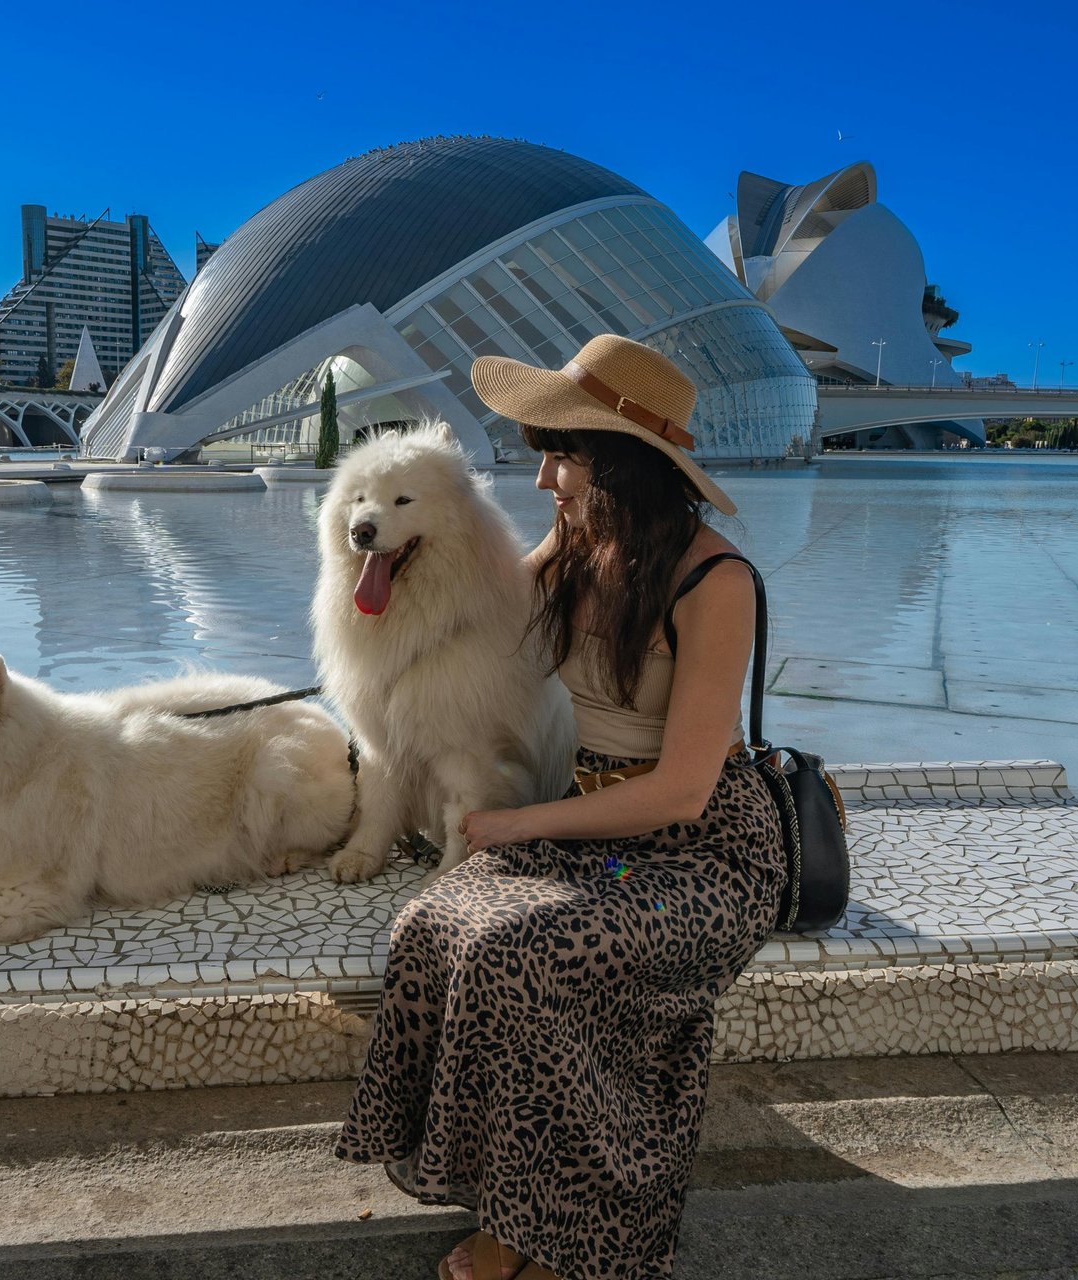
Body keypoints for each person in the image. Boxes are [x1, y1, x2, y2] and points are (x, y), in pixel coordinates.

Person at [334, 335, 787, 1280]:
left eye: (562, 455)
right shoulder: (582, 548)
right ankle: (517, 1208)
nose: (543, 479)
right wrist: (374, 617)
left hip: (701, 857)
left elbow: (684, 789)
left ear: (621, 463)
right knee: (433, 924)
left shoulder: (718, 581)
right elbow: (473, 599)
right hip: (601, 837)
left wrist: (514, 825)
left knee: (524, 952)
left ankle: (578, 1239)